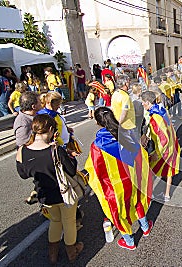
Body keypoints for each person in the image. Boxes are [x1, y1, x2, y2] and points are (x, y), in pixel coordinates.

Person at [16, 114, 83, 264]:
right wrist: (70, 156)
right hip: (63, 194)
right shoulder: (56, 150)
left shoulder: (23, 150)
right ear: (51, 129)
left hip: (44, 194)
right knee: (69, 221)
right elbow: (71, 171)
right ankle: (71, 251)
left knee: (55, 221)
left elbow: (23, 174)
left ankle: (53, 254)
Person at [85, 107, 153, 250]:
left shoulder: (97, 146)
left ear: (98, 123)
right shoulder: (128, 135)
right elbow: (141, 156)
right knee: (137, 202)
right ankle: (145, 228)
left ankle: (129, 241)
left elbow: (93, 169)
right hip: (133, 180)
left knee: (118, 213)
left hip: (114, 187)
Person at [140, 91, 181, 202]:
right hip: (173, 145)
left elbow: (163, 139)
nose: (142, 104)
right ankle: (167, 195)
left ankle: (150, 193)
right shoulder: (162, 109)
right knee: (169, 171)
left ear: (148, 102)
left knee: (150, 170)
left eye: (143, 102)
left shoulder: (155, 118)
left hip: (164, 149)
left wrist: (157, 154)